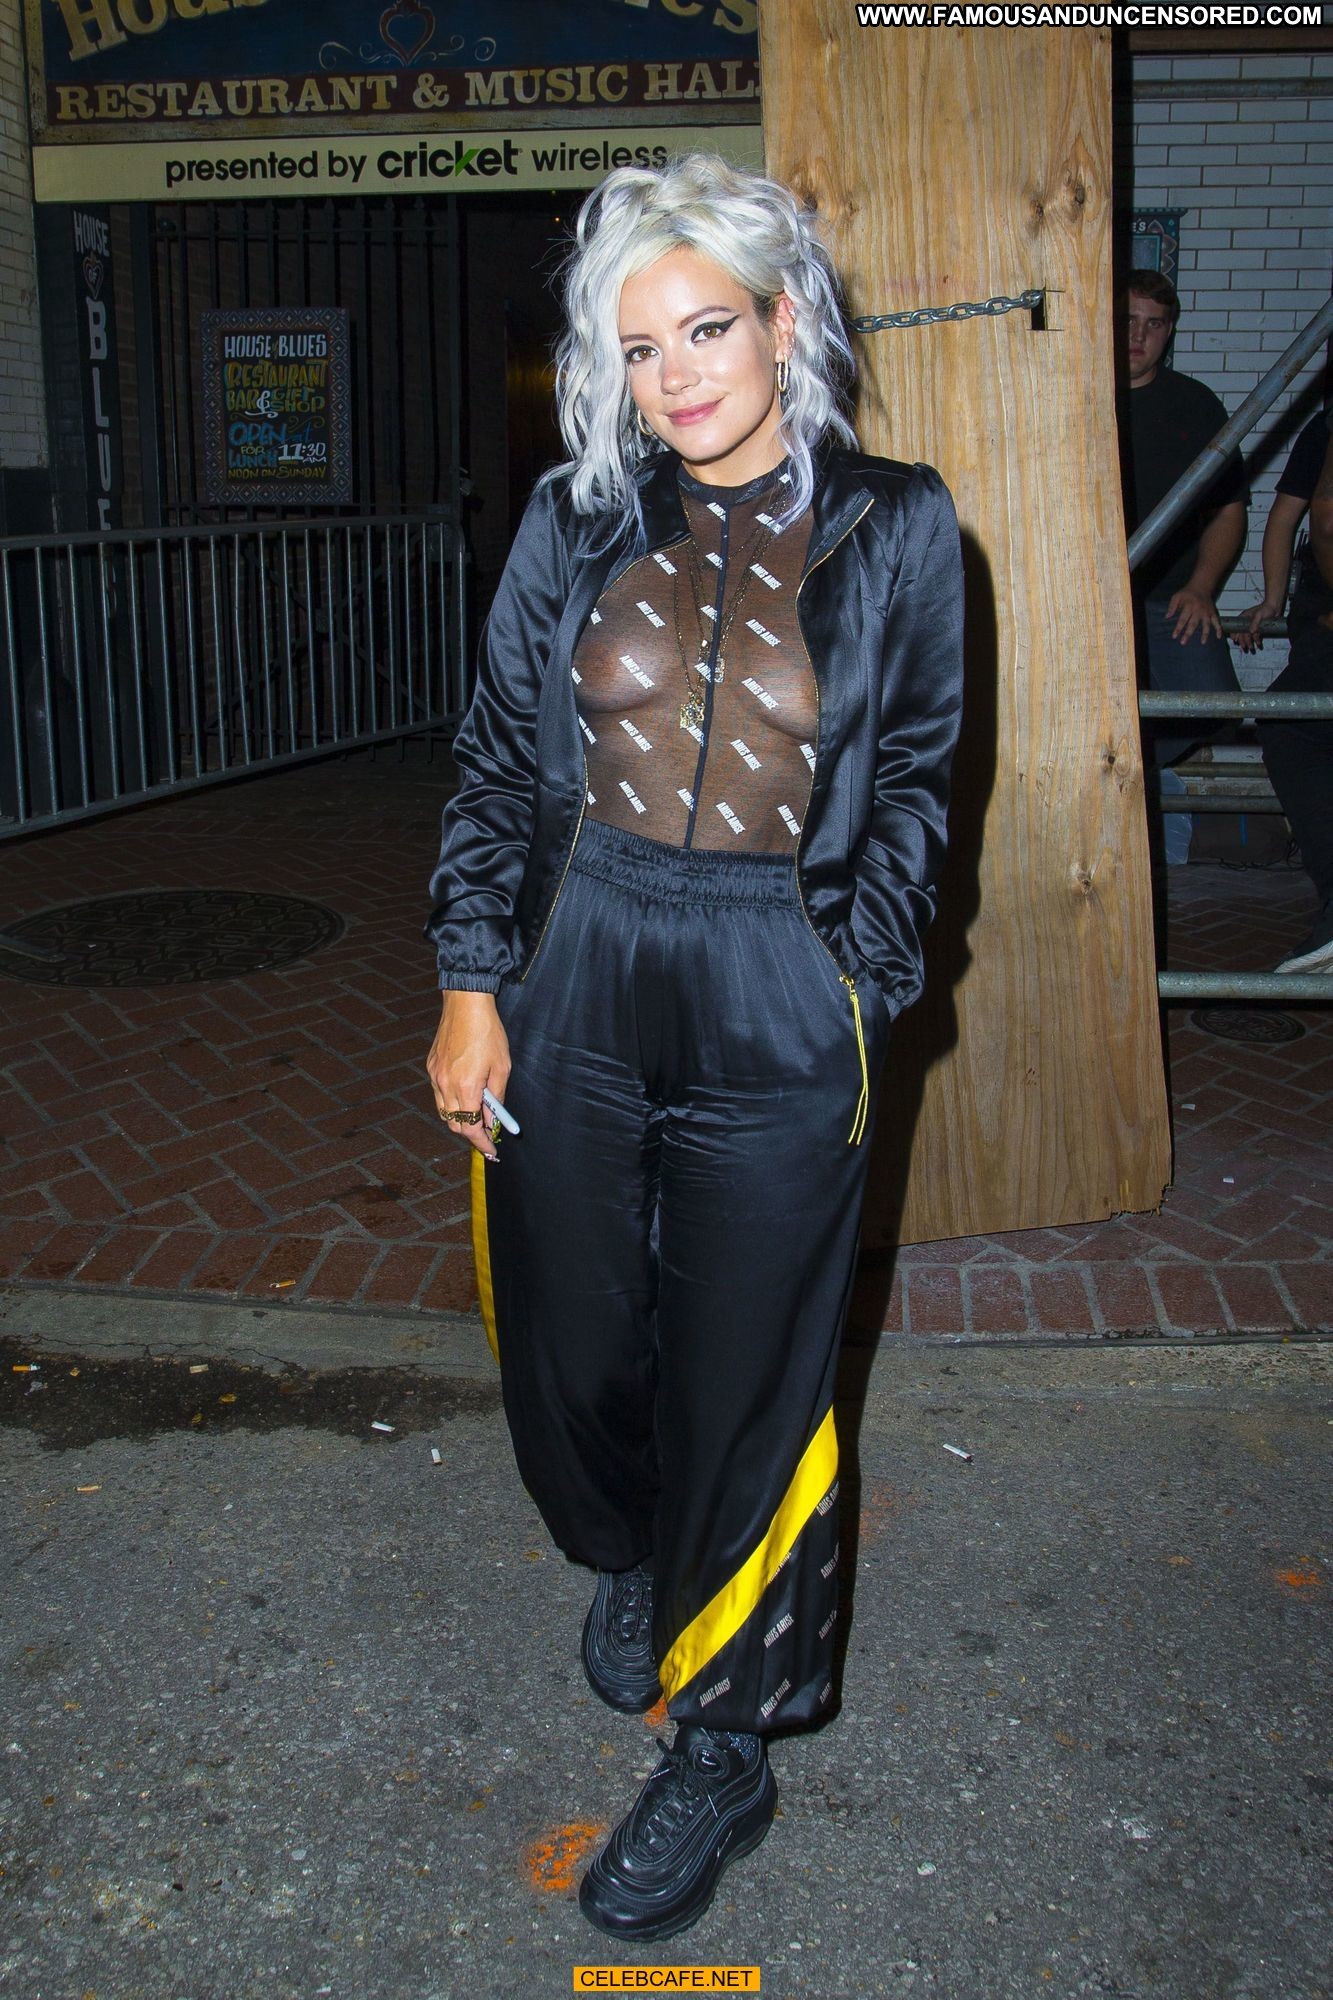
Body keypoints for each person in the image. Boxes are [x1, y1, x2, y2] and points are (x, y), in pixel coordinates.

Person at [424, 154, 964, 1940]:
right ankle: (632, 1546)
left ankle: (725, 1741)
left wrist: (851, 981)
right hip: (580, 954)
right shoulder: (576, 516)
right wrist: (471, 978)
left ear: (783, 323)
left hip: (773, 972)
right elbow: (496, 758)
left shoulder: (900, 526)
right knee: (573, 1330)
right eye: (641, 349)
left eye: (707, 330)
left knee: (753, 1367)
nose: (676, 378)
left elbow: (917, 784)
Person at [1118, 269, 1248, 776]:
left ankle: (1127, 770)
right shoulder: (1073, 396)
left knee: (1216, 705)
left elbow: (1228, 510)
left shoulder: (1195, 404)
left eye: (1153, 324)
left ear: (1168, 331)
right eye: (1128, 320)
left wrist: (1201, 586)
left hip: (1169, 599)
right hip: (1087, 601)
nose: (1138, 335)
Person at [1237, 405, 1333, 974]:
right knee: (1296, 721)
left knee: (1293, 725)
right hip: (1318, 607)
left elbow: (1320, 519)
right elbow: (1287, 517)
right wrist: (1273, 598)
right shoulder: (1322, 428)